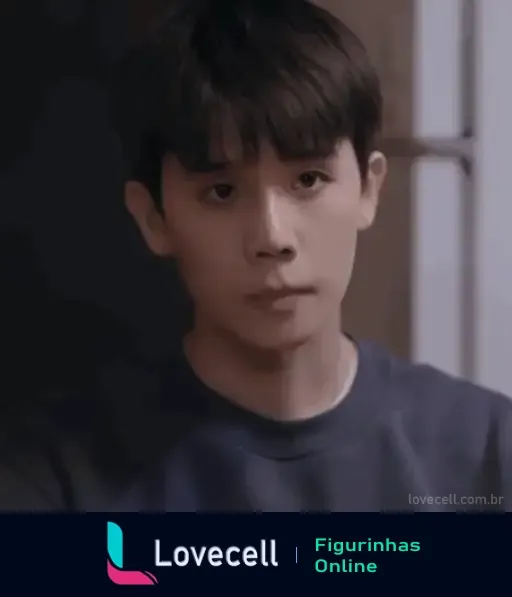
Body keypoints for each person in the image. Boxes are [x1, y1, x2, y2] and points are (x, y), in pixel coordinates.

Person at [1, 0, 511, 512]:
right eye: (222, 192)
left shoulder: (487, 453)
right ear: (153, 217)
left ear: (368, 189)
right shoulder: (57, 478)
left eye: (308, 180)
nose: (272, 236)